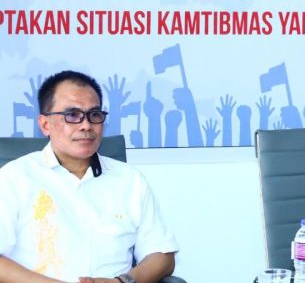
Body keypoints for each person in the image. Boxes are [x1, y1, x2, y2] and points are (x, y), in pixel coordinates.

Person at [0, 70, 179, 283]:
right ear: (45, 124)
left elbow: (162, 255)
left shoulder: (129, 180)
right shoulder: (14, 178)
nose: (86, 125)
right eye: (72, 115)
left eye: (94, 115)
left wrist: (122, 281)